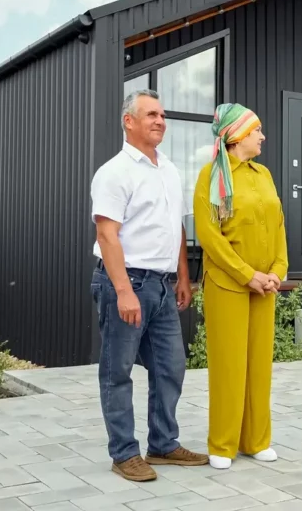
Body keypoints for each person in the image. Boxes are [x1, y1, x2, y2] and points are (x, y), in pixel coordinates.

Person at [90, 89, 210, 482]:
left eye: (162, 115)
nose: (160, 121)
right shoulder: (114, 172)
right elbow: (108, 235)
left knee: (170, 366)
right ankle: (124, 453)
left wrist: (183, 277)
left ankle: (163, 443)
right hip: (127, 281)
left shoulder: (170, 171)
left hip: (161, 284)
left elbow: (176, 226)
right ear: (129, 121)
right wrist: (123, 290)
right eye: (151, 114)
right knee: (117, 370)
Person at [193, 102, 287, 470]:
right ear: (237, 136)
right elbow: (209, 236)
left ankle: (256, 440)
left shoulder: (263, 174)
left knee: (259, 366)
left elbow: (278, 224)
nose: (263, 136)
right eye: (257, 131)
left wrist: (278, 269)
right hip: (229, 285)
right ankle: (222, 445)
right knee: (229, 367)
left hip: (266, 287)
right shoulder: (210, 177)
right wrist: (247, 274)